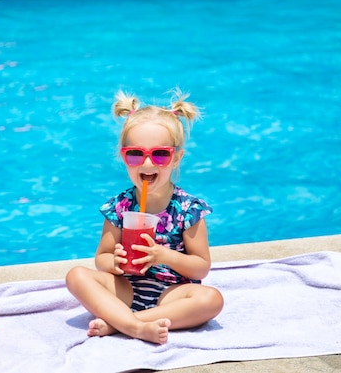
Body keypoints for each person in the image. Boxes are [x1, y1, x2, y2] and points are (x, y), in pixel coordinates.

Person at [65, 88, 224, 345]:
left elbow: (201, 266)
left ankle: (122, 323)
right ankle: (134, 325)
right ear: (124, 157)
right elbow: (101, 258)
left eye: (160, 154)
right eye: (136, 154)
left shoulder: (187, 209)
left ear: (176, 158)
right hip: (126, 289)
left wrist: (162, 255)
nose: (148, 164)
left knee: (211, 299)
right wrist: (113, 262)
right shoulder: (120, 206)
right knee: (76, 275)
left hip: (172, 294)